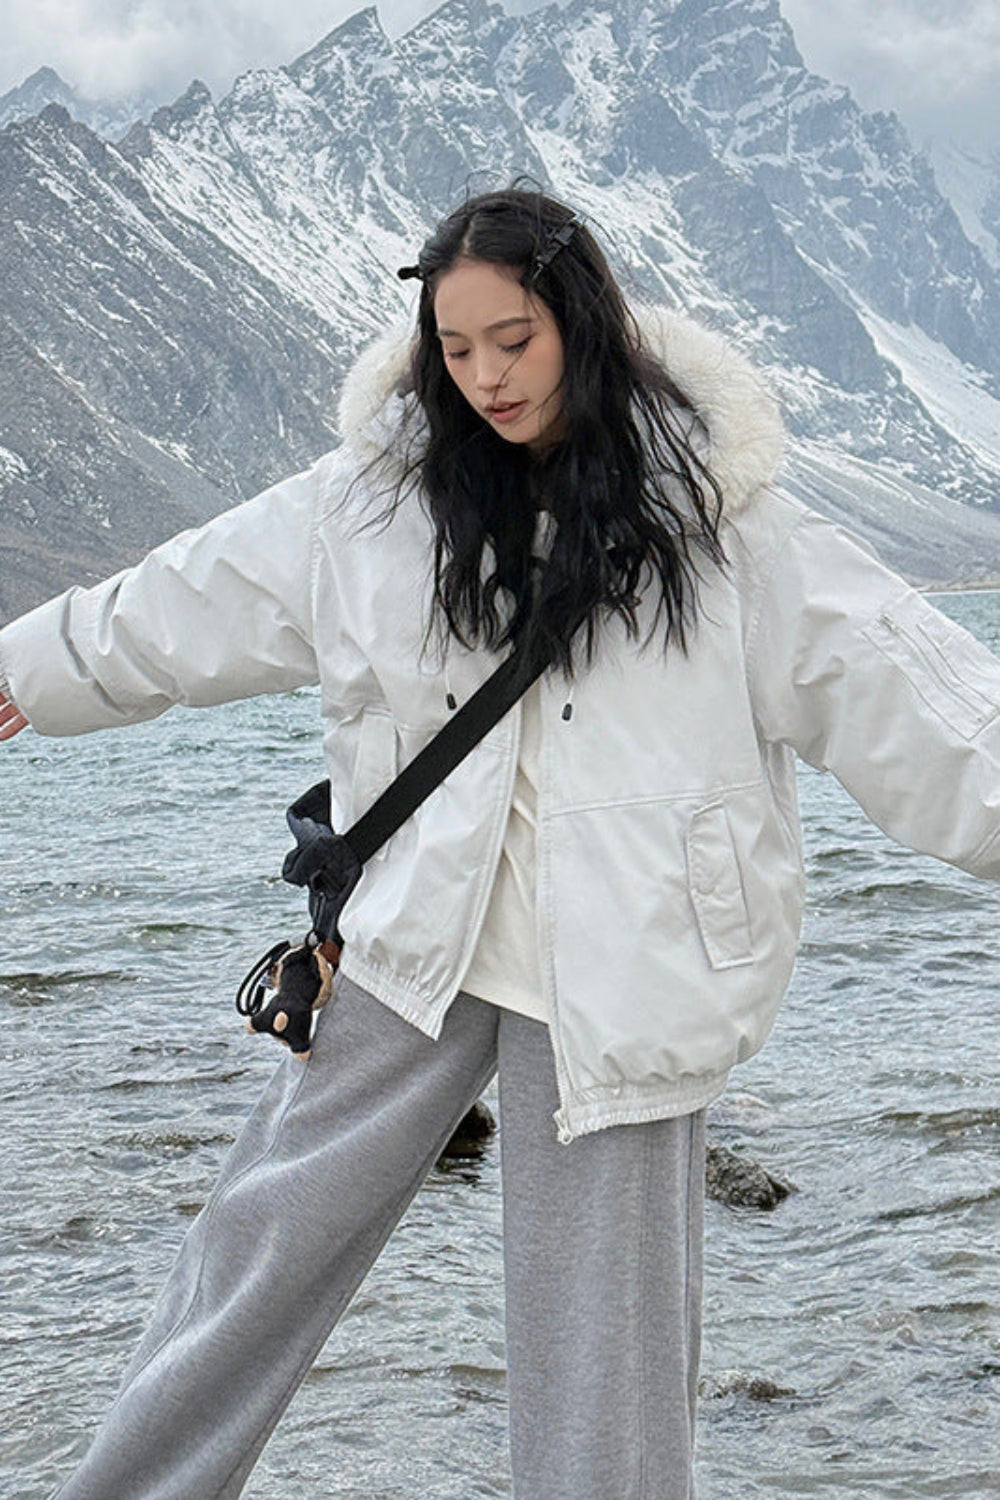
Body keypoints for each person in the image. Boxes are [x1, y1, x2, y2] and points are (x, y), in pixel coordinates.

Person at [2, 183, 1000, 1500]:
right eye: (455, 347)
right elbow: (192, 597)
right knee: (257, 1249)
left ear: (583, 322)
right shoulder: (375, 502)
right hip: (417, 937)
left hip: (624, 968)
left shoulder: (725, 524)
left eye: (512, 340)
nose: (484, 377)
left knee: (608, 1364)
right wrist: (28, 671)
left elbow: (907, 694)